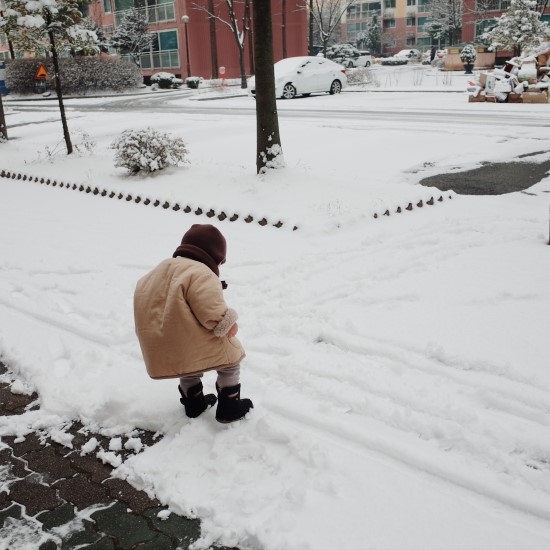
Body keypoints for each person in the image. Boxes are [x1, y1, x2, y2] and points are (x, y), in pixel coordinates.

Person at [133, 224, 253, 423]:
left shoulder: (156, 271)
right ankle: (230, 406)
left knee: (188, 362)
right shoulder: (200, 272)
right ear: (214, 255)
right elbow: (211, 310)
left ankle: (194, 402)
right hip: (186, 340)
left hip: (157, 344)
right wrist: (227, 322)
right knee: (231, 359)